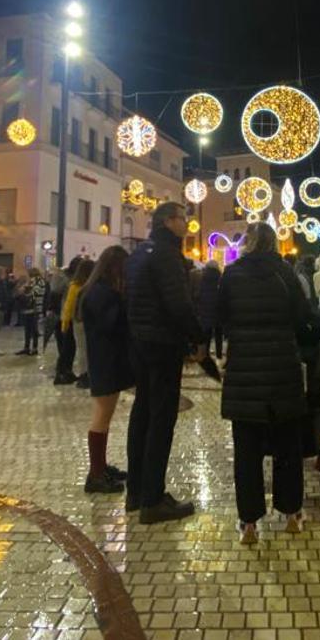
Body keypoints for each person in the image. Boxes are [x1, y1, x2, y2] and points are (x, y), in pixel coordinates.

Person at [216, 222, 308, 543]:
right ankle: (291, 512)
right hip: (282, 368)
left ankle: (249, 522)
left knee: (247, 449)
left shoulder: (232, 274)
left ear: (246, 243)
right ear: (273, 243)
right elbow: (302, 314)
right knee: (287, 445)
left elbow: (221, 315)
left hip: (244, 371)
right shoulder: (285, 273)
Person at [125, 201, 206, 524]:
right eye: (182, 219)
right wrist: (197, 336)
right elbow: (178, 303)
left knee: (142, 413)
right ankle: (153, 500)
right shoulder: (166, 255)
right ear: (168, 222)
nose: (186, 224)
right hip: (162, 344)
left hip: (140, 341)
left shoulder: (139, 253)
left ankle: (137, 490)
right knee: (161, 419)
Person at [78, 247, 134, 493]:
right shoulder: (101, 293)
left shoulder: (96, 290)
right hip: (105, 360)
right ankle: (96, 474)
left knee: (105, 414)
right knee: (101, 415)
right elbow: (113, 324)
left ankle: (100, 466)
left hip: (105, 358)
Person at [57, 259, 94, 384]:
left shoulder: (75, 285)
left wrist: (65, 323)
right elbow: (68, 306)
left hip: (77, 321)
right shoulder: (89, 285)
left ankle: (83, 374)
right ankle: (84, 375)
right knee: (83, 349)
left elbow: (68, 306)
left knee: (81, 349)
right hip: (82, 321)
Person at [193, 260, 222, 360]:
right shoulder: (220, 277)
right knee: (218, 332)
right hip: (218, 307)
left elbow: (198, 293)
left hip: (206, 307)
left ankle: (206, 353)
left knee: (207, 332)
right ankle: (219, 353)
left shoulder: (203, 277)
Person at [16, 267, 46, 356]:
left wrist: (24, 290)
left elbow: (34, 294)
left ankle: (34, 348)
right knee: (28, 329)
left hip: (35, 308)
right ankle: (27, 347)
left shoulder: (39, 282)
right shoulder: (34, 281)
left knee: (33, 329)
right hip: (30, 308)